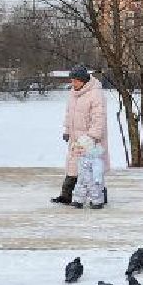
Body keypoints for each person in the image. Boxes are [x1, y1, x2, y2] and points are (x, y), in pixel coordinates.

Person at [55, 66, 107, 207]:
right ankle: (66, 196)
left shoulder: (95, 94)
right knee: (73, 166)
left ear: (83, 80)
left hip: (89, 140)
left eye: (76, 81)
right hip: (75, 138)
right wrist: (67, 130)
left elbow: (98, 118)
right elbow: (69, 114)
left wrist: (92, 136)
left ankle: (100, 196)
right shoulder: (73, 93)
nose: (73, 84)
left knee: (91, 170)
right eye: (72, 80)